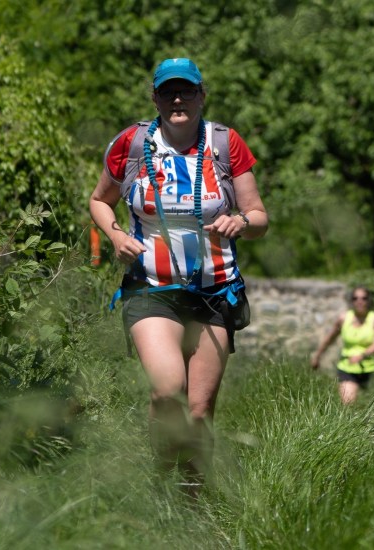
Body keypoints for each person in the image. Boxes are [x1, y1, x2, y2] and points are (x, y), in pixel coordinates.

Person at [89, 57, 268, 491]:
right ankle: (159, 483)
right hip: (151, 289)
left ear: (201, 95)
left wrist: (240, 222)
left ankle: (193, 499)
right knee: (168, 390)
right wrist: (115, 236)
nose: (177, 100)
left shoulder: (225, 144)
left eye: (186, 90)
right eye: (168, 92)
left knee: (200, 411)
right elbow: (99, 200)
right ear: (155, 98)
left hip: (214, 291)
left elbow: (259, 217)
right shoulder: (133, 144)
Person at [310, 286, 374, 404]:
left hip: (371, 369)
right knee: (347, 403)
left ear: (368, 300)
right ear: (352, 301)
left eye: (363, 298)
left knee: (370, 405)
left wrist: (362, 355)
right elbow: (330, 338)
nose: (359, 301)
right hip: (347, 367)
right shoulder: (344, 318)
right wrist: (317, 356)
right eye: (355, 298)